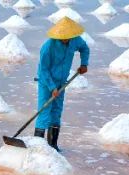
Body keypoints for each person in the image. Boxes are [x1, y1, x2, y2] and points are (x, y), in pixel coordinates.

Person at [35, 17, 89, 151]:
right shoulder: (48, 46)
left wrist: (84, 63)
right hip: (46, 81)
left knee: (57, 111)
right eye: (64, 38)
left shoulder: (75, 40)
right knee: (44, 110)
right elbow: (43, 70)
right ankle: (38, 147)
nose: (66, 40)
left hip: (61, 82)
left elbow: (84, 48)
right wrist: (52, 87)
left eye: (68, 37)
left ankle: (52, 146)